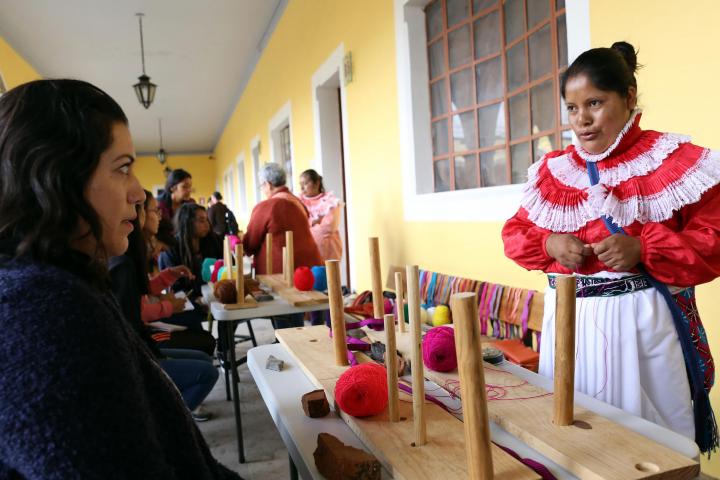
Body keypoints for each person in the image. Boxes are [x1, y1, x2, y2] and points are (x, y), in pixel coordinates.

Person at [0, 79, 239, 478]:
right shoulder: (46, 316)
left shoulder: (58, 285)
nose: (138, 194)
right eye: (122, 168)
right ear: (58, 176)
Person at [502, 42, 720, 451]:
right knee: (577, 441)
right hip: (568, 326)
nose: (581, 120)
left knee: (649, 443)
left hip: (641, 327)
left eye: (595, 103)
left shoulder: (673, 161)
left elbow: (714, 239)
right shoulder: (555, 173)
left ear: (629, 97)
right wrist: (550, 242)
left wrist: (643, 249)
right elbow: (514, 234)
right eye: (572, 108)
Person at [109, 211, 219, 421]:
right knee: (204, 351)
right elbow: (134, 311)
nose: (158, 215)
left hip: (144, 338)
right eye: (151, 210)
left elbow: (142, 291)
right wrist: (168, 306)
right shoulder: (124, 262)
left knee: (201, 343)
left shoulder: (132, 258)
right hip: (144, 341)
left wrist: (168, 276)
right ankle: (169, 421)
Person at [243, 163, 322, 328]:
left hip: (281, 271)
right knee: (295, 313)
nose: (263, 190)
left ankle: (287, 343)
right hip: (307, 268)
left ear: (268, 184)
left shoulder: (266, 206)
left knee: (284, 315)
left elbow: (249, 244)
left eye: (262, 186)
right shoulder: (297, 201)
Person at [159, 203, 223, 299]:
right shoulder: (172, 248)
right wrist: (196, 300)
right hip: (186, 301)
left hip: (215, 296)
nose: (207, 224)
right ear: (187, 223)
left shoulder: (213, 241)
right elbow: (175, 287)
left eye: (207, 220)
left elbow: (226, 267)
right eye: (201, 221)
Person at [298, 169, 343, 261]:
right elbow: (297, 225)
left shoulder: (330, 201)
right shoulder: (298, 202)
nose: (302, 188)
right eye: (301, 184)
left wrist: (308, 225)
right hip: (304, 250)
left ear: (317, 183)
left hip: (327, 250)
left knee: (327, 274)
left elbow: (329, 227)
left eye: (305, 184)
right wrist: (315, 222)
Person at [156, 168, 194, 246]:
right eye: (185, 187)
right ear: (172, 188)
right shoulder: (159, 205)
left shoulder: (191, 203)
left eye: (190, 187)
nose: (189, 190)